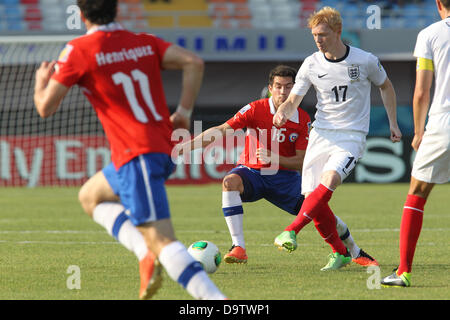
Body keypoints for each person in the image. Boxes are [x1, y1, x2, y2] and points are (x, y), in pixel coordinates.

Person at [33, 0, 226, 300]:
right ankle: (144, 252)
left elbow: (45, 107)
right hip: (149, 149)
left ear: (81, 15)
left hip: (139, 154)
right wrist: (184, 112)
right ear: (116, 10)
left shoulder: (79, 50)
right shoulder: (143, 42)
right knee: (90, 196)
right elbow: (193, 62)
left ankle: (216, 301)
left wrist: (40, 83)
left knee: (162, 240)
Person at [176, 65, 378, 267]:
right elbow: (222, 130)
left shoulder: (302, 119)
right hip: (252, 172)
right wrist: (189, 145)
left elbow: (302, 161)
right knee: (230, 182)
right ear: (270, 88)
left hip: (286, 179)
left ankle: (351, 250)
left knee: (319, 210)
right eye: (279, 86)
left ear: (296, 89)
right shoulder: (255, 109)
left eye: (289, 87)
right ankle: (238, 248)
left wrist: (274, 159)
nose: (283, 92)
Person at [272, 7, 402, 271]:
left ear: (337, 31)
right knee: (313, 199)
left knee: (329, 181)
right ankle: (346, 252)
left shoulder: (364, 60)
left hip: (351, 136)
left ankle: (291, 230)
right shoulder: (311, 63)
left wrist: (393, 123)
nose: (318, 39)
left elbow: (386, 86)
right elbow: (294, 99)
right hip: (321, 134)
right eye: (314, 35)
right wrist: (283, 112)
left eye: (322, 34)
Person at [381, 0, 449, 287]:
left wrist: (419, 131)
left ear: (437, 4)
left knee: (417, 193)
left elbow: (422, 91)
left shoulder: (430, 34)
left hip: (443, 123)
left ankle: (404, 271)